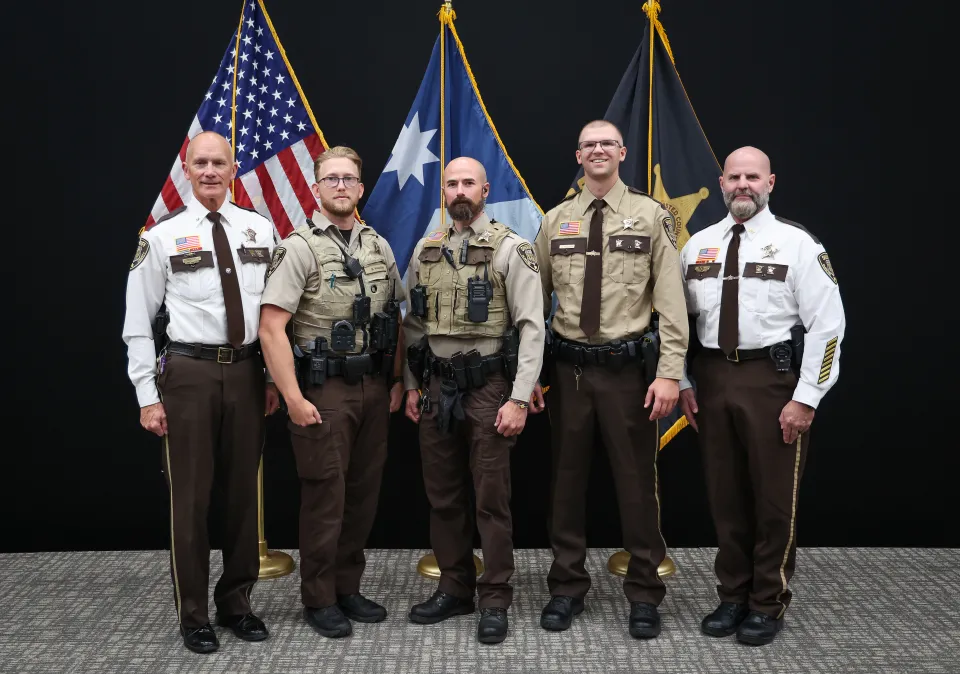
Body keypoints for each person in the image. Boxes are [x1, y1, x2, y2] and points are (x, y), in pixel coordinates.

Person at [678, 146, 846, 646]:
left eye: (752, 177)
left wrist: (807, 397)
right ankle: (732, 595)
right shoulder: (698, 246)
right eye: (734, 177)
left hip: (772, 381)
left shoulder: (797, 244)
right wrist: (682, 381)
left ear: (770, 183)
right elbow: (678, 324)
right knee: (725, 495)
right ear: (721, 183)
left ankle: (767, 601)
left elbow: (828, 327)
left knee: (773, 499)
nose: (742, 185)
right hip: (712, 378)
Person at [122, 131, 278, 654]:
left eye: (219, 163)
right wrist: (147, 396)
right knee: (190, 498)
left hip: (248, 371)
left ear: (233, 170)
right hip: (189, 373)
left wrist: (273, 378)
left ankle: (237, 603)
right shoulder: (162, 236)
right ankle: (193, 615)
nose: (210, 171)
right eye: (201, 163)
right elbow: (137, 324)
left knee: (242, 495)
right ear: (186, 170)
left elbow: (274, 313)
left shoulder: (260, 228)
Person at [532, 120, 688, 639]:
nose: (598, 150)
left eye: (607, 144)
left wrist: (670, 373)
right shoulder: (555, 220)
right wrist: (527, 374)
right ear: (577, 156)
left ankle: (644, 592)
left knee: (636, 485)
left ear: (622, 152)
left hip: (627, 374)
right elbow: (533, 304)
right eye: (589, 145)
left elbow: (671, 303)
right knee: (565, 483)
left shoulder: (651, 216)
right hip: (569, 371)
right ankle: (566, 587)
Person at [258, 146, 405, 639]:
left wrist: (398, 380)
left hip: (373, 387)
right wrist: (293, 397)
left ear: (360, 188)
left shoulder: (377, 246)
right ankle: (319, 597)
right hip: (323, 391)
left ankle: (347, 587)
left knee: (362, 494)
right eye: (331, 179)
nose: (341, 186)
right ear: (316, 187)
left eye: (348, 179)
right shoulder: (297, 247)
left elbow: (397, 316)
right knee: (326, 496)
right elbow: (271, 328)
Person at [402, 157, 545, 644]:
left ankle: (496, 597)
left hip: (489, 388)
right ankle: (455, 587)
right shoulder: (427, 249)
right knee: (443, 496)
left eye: (469, 183)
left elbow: (532, 328)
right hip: (437, 388)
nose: (460, 190)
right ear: (443, 192)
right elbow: (413, 324)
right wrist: (410, 384)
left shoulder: (510, 248)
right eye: (452, 183)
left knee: (490, 500)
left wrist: (519, 399)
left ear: (485, 190)